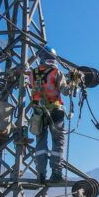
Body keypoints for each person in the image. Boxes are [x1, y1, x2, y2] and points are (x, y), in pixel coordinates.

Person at [29, 46, 71, 183]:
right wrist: (71, 85)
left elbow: (32, 88)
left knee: (40, 144)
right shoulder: (56, 72)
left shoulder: (32, 73)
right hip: (55, 112)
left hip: (38, 114)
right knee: (58, 143)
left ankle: (40, 174)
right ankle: (56, 173)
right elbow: (65, 91)